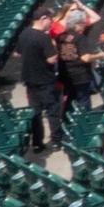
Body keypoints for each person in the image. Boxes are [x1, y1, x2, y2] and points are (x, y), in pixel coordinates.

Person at [17, 9, 65, 151]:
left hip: (30, 79)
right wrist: (53, 49)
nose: (51, 22)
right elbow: (51, 59)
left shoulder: (24, 33)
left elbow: (17, 53)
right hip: (45, 79)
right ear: (43, 18)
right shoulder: (43, 37)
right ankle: (56, 141)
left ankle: (37, 143)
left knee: (35, 113)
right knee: (53, 111)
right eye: (50, 19)